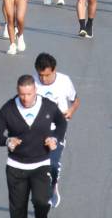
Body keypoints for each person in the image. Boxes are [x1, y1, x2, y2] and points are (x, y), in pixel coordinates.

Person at [0, 75, 68, 218]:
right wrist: (7, 141)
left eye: (29, 94)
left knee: (42, 203)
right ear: (17, 91)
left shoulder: (48, 106)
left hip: (41, 164)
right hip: (16, 167)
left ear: (35, 90)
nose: (25, 98)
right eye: (22, 94)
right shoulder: (8, 109)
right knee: (17, 211)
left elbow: (62, 123)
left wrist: (55, 138)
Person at [34, 52, 80, 207]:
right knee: (39, 165)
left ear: (54, 70)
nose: (43, 79)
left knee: (53, 163)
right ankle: (43, 189)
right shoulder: (32, 83)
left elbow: (75, 100)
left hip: (57, 129)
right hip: (37, 130)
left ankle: (53, 184)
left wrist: (71, 110)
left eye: (47, 75)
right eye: (40, 75)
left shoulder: (64, 81)